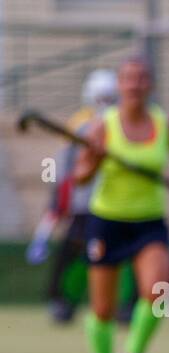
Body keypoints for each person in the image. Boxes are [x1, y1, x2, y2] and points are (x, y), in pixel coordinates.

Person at [73, 55, 169, 353]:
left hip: (149, 223)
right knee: (103, 309)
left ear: (151, 85)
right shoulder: (103, 127)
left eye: (141, 78)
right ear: (119, 86)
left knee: (159, 290)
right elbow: (80, 177)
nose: (134, 84)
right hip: (107, 222)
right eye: (128, 78)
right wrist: (96, 158)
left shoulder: (165, 125)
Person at [26, 68, 136, 326]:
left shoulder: (127, 124)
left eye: (109, 97)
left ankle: (126, 305)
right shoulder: (81, 125)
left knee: (125, 256)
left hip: (120, 204)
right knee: (80, 254)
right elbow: (69, 171)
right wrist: (49, 224)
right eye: (101, 98)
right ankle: (64, 301)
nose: (105, 104)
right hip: (85, 205)